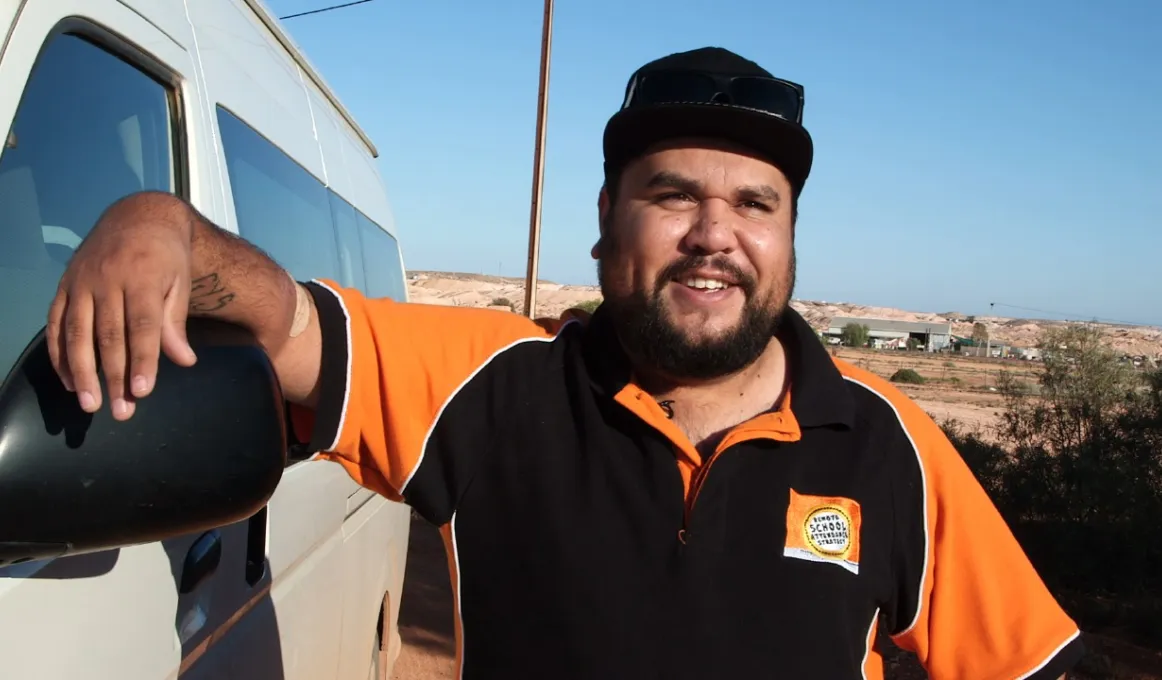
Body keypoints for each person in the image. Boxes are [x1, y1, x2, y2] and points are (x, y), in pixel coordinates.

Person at [47, 47, 1082, 679]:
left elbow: (1028, 664)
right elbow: (286, 327)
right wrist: (159, 221)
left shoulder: (892, 448)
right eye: (672, 195)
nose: (713, 233)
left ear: (789, 238)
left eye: (755, 204)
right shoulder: (496, 386)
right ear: (606, 221)